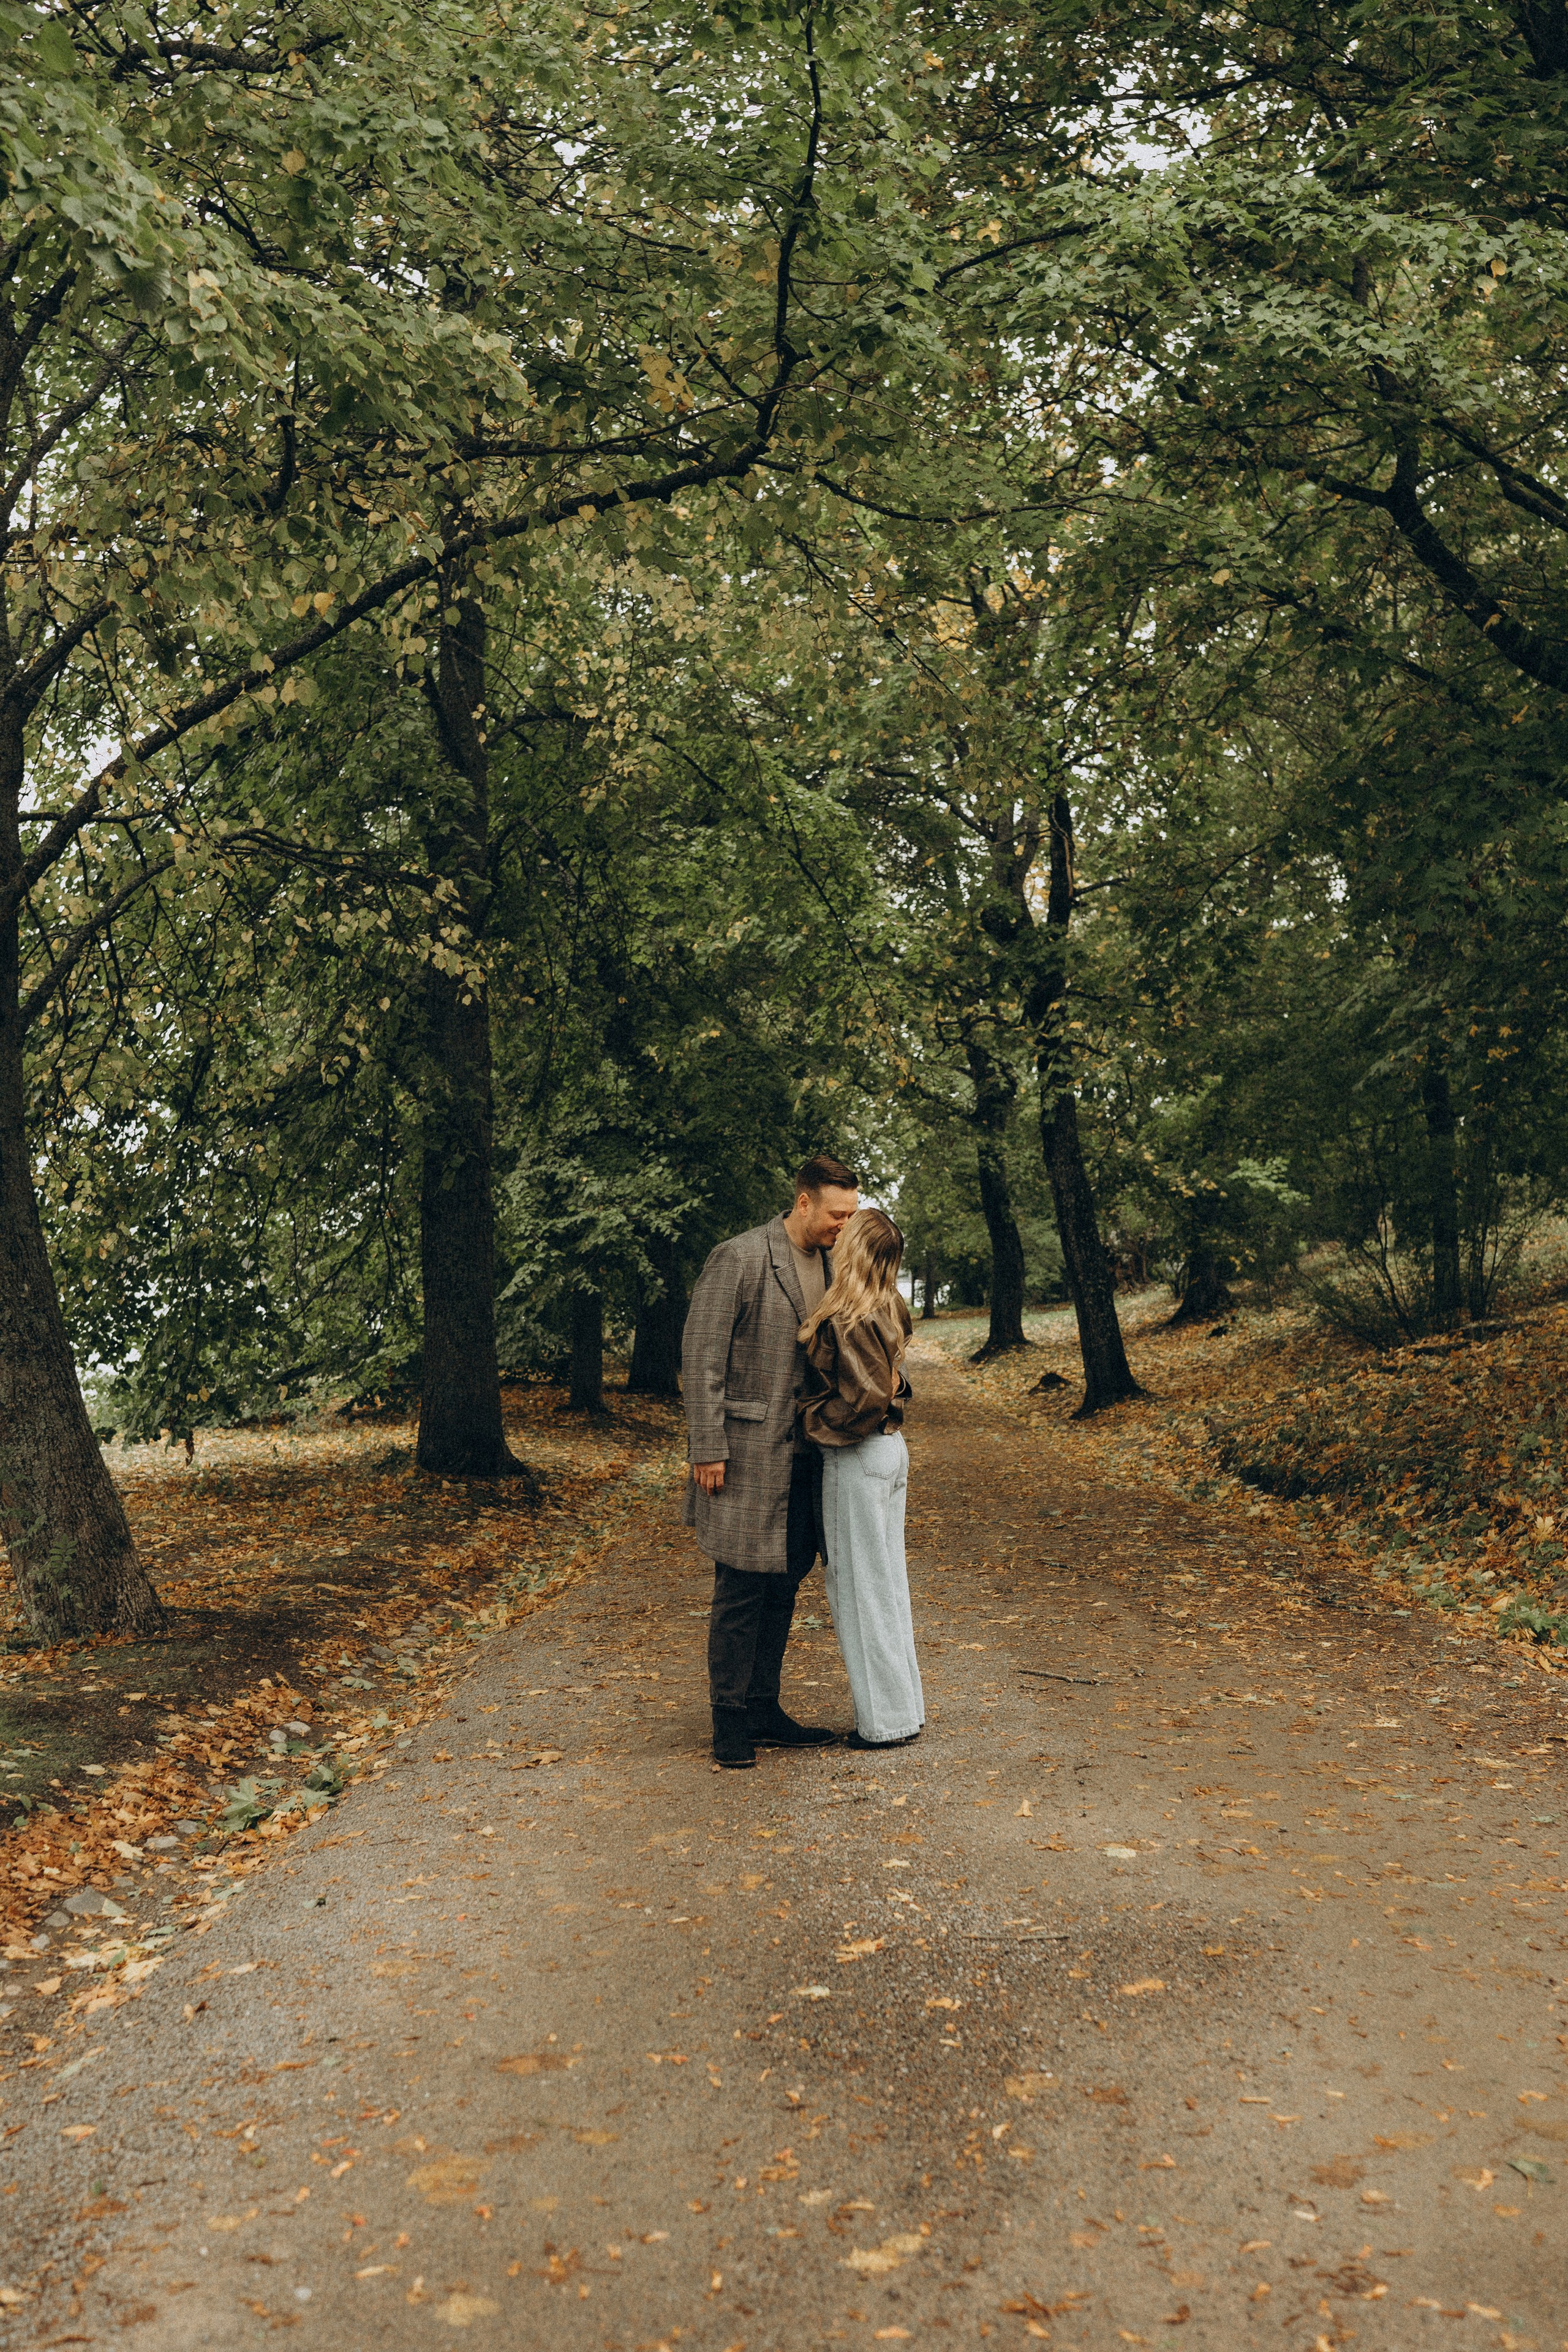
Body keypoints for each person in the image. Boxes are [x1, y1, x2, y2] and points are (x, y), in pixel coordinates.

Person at [682, 1154, 861, 1769]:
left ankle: (763, 1708)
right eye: (837, 1214)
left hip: (808, 1455)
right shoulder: (739, 1257)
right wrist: (707, 1447)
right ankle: (729, 1722)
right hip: (744, 1455)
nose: (844, 1225)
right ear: (804, 1201)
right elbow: (701, 1357)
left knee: (785, 1582)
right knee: (741, 1589)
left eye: (852, 1215)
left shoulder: (834, 1264)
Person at [797, 1207, 923, 1751]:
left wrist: (810, 1418)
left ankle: (885, 1723)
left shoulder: (849, 1315)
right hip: (890, 1452)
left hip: (860, 1457)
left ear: (855, 1250)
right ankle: (904, 1709)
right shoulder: (889, 1303)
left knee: (860, 1590)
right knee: (887, 1585)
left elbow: (867, 1401)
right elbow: (892, 1383)